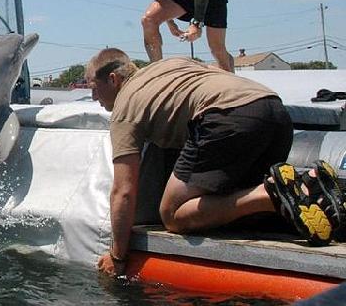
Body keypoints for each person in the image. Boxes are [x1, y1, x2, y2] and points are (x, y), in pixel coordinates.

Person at [85, 48, 346, 277]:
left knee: (173, 215)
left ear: (113, 78)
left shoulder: (125, 108)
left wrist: (118, 257)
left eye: (93, 86)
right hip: (274, 110)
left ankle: (270, 193)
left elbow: (124, 192)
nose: (94, 96)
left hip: (225, 117)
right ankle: (311, 190)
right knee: (236, 206)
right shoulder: (169, 65)